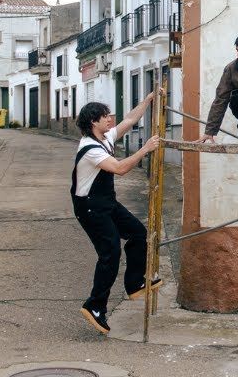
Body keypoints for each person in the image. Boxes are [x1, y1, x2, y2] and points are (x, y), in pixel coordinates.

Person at [71, 92, 164, 335]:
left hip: (106, 203)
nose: (110, 119)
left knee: (138, 233)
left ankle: (134, 283)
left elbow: (130, 120)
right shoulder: (90, 147)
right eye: (105, 116)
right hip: (90, 207)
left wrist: (148, 100)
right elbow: (121, 168)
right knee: (110, 253)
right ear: (93, 122)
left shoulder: (105, 138)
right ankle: (95, 306)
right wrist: (145, 149)